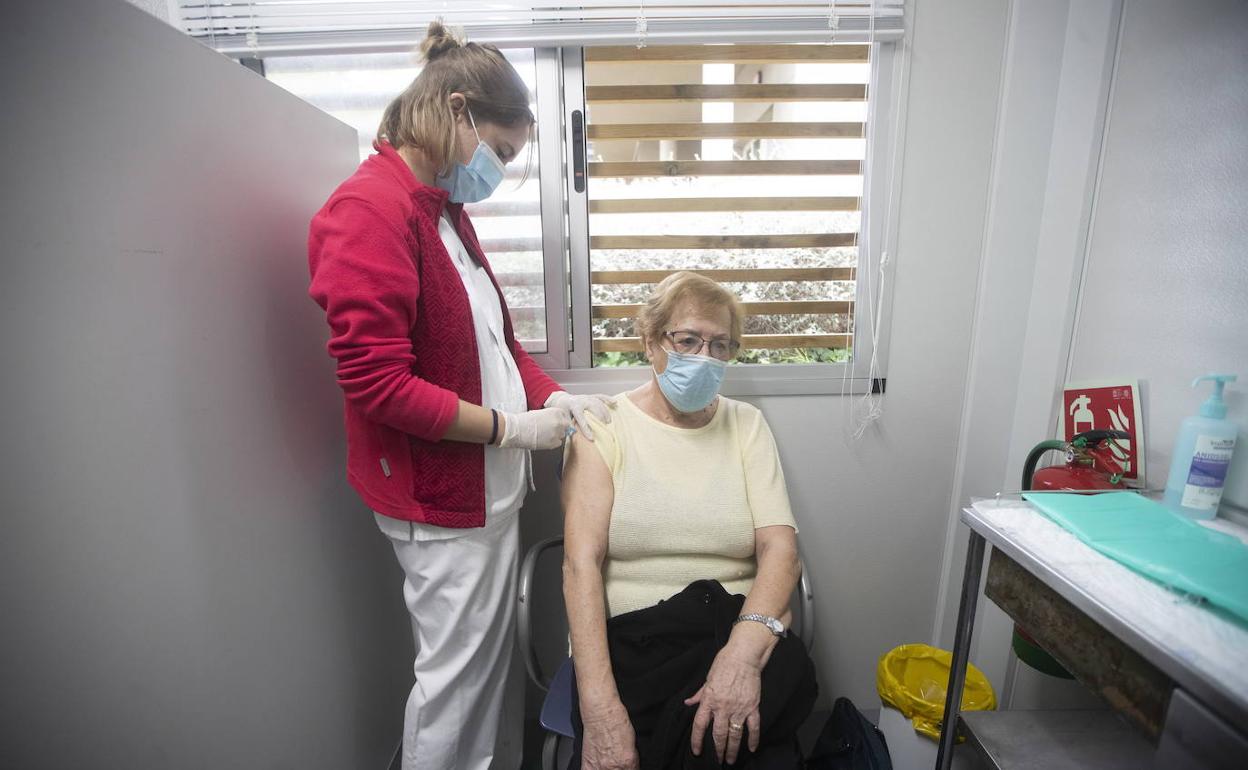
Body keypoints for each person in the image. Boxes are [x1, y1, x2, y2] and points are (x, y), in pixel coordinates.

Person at [307, 22, 611, 770]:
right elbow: (379, 385)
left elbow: (493, 345)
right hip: (440, 500)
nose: (498, 170)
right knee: (455, 691)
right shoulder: (368, 211)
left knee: (482, 679)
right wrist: (514, 428)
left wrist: (552, 399)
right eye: (500, 152)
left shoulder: (441, 209)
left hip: (485, 493)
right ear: (456, 110)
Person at [561, 272, 816, 769]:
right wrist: (600, 708)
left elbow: (781, 553)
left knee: (755, 719)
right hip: (637, 645)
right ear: (650, 341)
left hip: (735, 627)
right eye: (688, 340)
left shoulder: (746, 425)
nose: (704, 356)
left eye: (720, 345)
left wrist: (741, 655)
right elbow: (579, 566)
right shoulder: (603, 427)